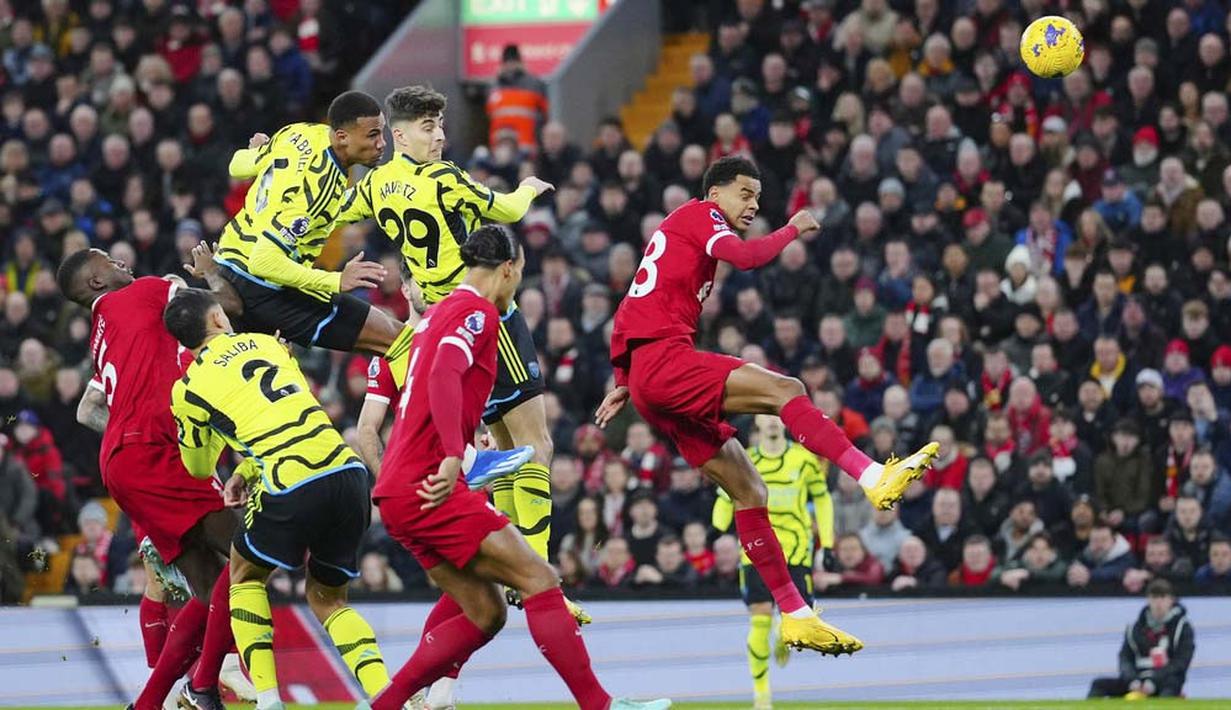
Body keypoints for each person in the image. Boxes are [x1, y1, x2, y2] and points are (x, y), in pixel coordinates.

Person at [598, 156, 939, 654]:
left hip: (651, 376)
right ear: (715, 194)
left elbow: (629, 307)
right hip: (666, 361)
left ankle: (796, 613)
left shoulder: (677, 235)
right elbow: (748, 257)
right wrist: (794, 227)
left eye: (758, 196)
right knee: (787, 390)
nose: (753, 204)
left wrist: (626, 379)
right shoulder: (700, 216)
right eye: (744, 193)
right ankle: (871, 476)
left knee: (750, 491)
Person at [365, 226, 667, 710]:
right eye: (520, 273)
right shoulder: (477, 312)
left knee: (485, 612)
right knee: (540, 578)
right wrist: (449, 452)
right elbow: (444, 373)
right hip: (433, 482)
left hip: (400, 491)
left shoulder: (438, 314)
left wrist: (459, 440)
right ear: (507, 269)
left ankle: (385, 705)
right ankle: (600, 706)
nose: (518, 283)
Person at [336, 87, 568, 608]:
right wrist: (528, 188)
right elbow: (506, 207)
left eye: (440, 125)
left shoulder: (375, 184)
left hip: (436, 321)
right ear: (399, 135)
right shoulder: (443, 178)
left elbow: (337, 211)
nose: (439, 136)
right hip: (483, 314)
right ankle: (538, 573)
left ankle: (516, 566)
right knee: (536, 446)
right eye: (426, 127)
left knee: (508, 449)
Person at [164, 288, 393, 710]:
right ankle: (387, 695)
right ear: (217, 319)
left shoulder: (189, 388)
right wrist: (247, 468)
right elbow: (291, 410)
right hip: (346, 471)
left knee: (244, 577)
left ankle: (269, 701)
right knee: (328, 599)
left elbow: (197, 466)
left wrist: (227, 446)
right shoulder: (270, 344)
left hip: (291, 481)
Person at [56, 249, 235, 710]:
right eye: (107, 261)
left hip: (123, 461)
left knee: (211, 584)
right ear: (96, 281)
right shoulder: (145, 292)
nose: (120, 261)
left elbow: (87, 410)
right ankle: (209, 681)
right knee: (255, 551)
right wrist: (210, 273)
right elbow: (223, 307)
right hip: (156, 452)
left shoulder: (104, 333)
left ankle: (159, 700)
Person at [192, 90, 405, 357]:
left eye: (381, 133)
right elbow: (265, 261)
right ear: (341, 137)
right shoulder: (319, 189)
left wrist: (261, 151)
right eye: (373, 135)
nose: (382, 144)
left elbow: (237, 165)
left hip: (227, 265)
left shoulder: (299, 133)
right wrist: (335, 280)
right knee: (399, 342)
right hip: (264, 288)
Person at [712, 414, 833, 710]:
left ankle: (783, 635)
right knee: (760, 617)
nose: (772, 422)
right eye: (766, 417)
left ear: (784, 423)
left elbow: (822, 498)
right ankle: (761, 695)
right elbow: (726, 497)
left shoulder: (804, 460)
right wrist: (717, 528)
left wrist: (827, 542)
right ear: (757, 423)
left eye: (776, 417)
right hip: (755, 549)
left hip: (796, 549)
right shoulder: (745, 459)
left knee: (799, 622)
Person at [1088, 579, 1195, 699]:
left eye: (1163, 597)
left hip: (1167, 681)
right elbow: (1125, 658)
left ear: (1171, 600)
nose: (1158, 603)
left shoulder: (1182, 627)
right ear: (1148, 600)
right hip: (1137, 680)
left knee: (1169, 691)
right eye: (1154, 597)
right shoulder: (1134, 628)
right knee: (1099, 685)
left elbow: (1181, 662)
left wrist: (1154, 681)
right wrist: (1133, 680)